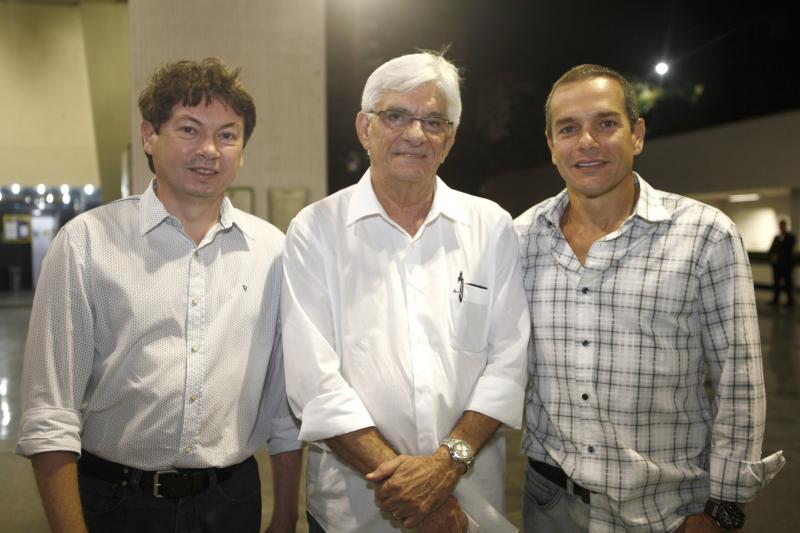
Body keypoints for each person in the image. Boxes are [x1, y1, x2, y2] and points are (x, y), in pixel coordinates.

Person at [17, 57, 302, 533]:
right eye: (189, 129)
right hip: (115, 502)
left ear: (242, 151)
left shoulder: (273, 250)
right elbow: (50, 412)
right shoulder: (87, 242)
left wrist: (286, 517)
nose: (209, 150)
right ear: (150, 136)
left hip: (231, 501)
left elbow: (283, 405)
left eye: (227, 135)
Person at [514, 64, 785, 532]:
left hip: (668, 511)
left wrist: (724, 509)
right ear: (551, 144)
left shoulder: (705, 235)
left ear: (636, 134)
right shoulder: (520, 239)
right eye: (568, 128)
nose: (586, 142)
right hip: (550, 505)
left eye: (606, 123)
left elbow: (739, 381)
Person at [281, 51, 529, 532]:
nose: (415, 134)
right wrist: (419, 496)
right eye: (396, 115)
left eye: (433, 121)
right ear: (364, 128)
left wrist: (444, 469)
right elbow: (314, 382)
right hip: (354, 512)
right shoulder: (316, 230)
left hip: (471, 507)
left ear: (449, 139)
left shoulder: (490, 227)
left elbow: (508, 363)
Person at [768, 218, 795, 307]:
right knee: (776, 283)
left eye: (782, 225)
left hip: (786, 264)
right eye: (780, 226)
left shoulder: (790, 237)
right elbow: (771, 249)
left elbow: (788, 249)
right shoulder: (776, 238)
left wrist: (778, 256)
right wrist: (773, 256)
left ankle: (790, 300)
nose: (781, 227)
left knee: (787, 283)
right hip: (777, 265)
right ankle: (775, 299)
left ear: (785, 226)